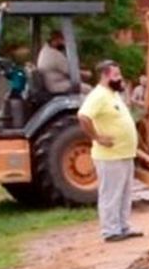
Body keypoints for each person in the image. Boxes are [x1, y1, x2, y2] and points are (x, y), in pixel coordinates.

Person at [76, 60, 143, 243]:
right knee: (111, 193)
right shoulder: (98, 95)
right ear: (105, 76)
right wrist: (97, 137)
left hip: (124, 153)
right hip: (109, 155)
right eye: (116, 75)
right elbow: (83, 116)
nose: (119, 78)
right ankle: (110, 230)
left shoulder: (113, 95)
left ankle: (123, 225)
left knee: (124, 193)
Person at [37, 30, 74, 94]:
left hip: (53, 82)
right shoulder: (54, 54)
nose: (64, 43)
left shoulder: (45, 50)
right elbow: (71, 72)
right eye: (63, 40)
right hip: (56, 85)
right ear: (56, 40)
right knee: (88, 89)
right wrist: (86, 74)